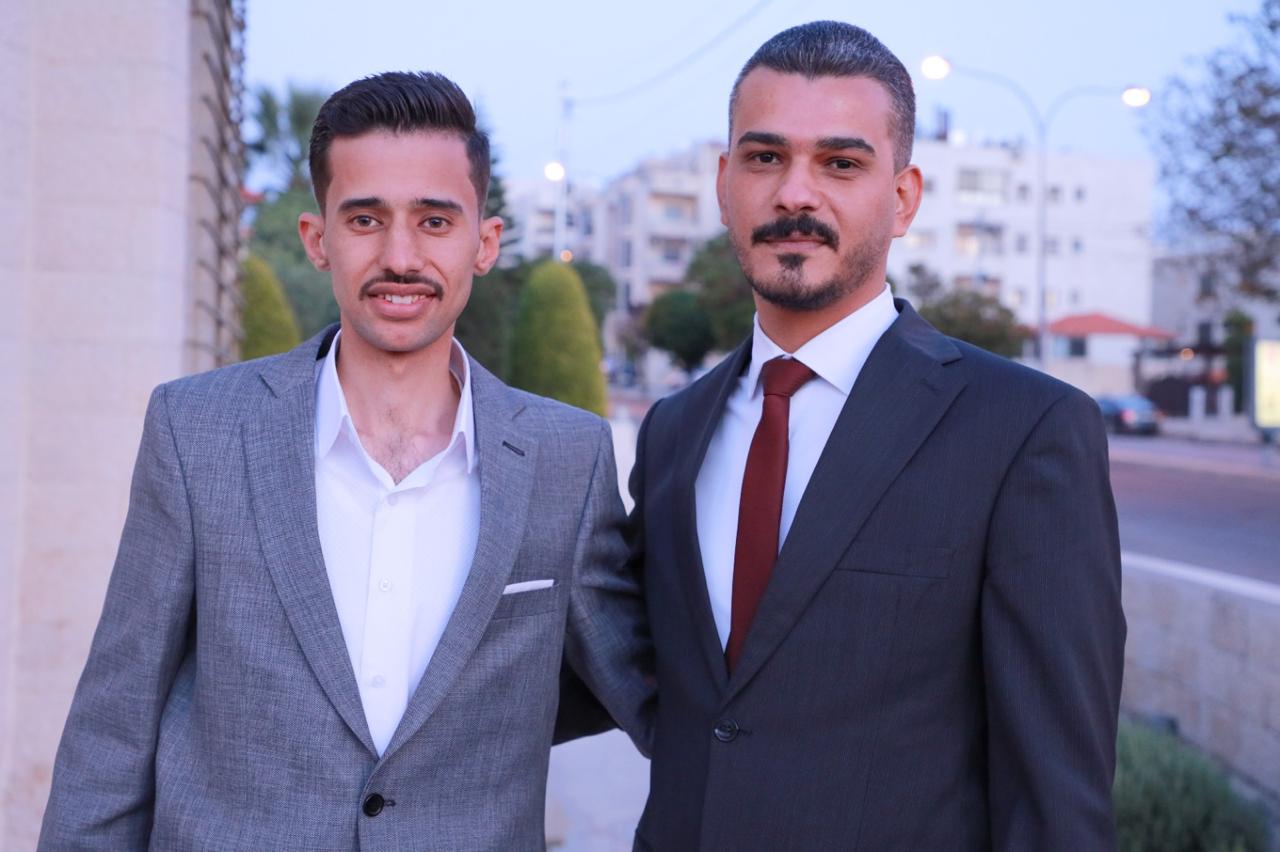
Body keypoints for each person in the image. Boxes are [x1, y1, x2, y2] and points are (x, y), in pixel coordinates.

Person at [39, 71, 652, 851]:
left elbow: (646, 687)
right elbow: (114, 723)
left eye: (435, 221)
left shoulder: (568, 458)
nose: (400, 256)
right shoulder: (197, 432)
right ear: (317, 238)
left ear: (485, 243)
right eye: (366, 219)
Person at [629, 22, 1125, 850]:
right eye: (764, 157)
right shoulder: (673, 433)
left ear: (903, 198)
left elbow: (1056, 795)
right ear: (723, 184)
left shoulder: (1024, 431)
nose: (795, 194)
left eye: (840, 163)